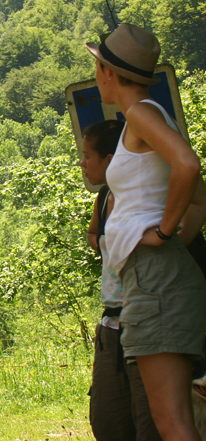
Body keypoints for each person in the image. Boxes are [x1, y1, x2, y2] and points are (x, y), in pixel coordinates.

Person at [86, 23, 206, 441]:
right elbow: (199, 198)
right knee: (172, 419)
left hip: (154, 282)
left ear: (108, 72)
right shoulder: (150, 114)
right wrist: (172, 240)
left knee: (170, 421)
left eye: (97, 66)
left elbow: (189, 167)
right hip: (154, 277)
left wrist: (165, 234)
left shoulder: (139, 114)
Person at [81, 120, 161, 441]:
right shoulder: (103, 197)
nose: (83, 163)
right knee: (108, 421)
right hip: (111, 328)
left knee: (150, 423)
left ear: (111, 160)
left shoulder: (147, 198)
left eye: (88, 156)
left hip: (146, 324)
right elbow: (93, 233)